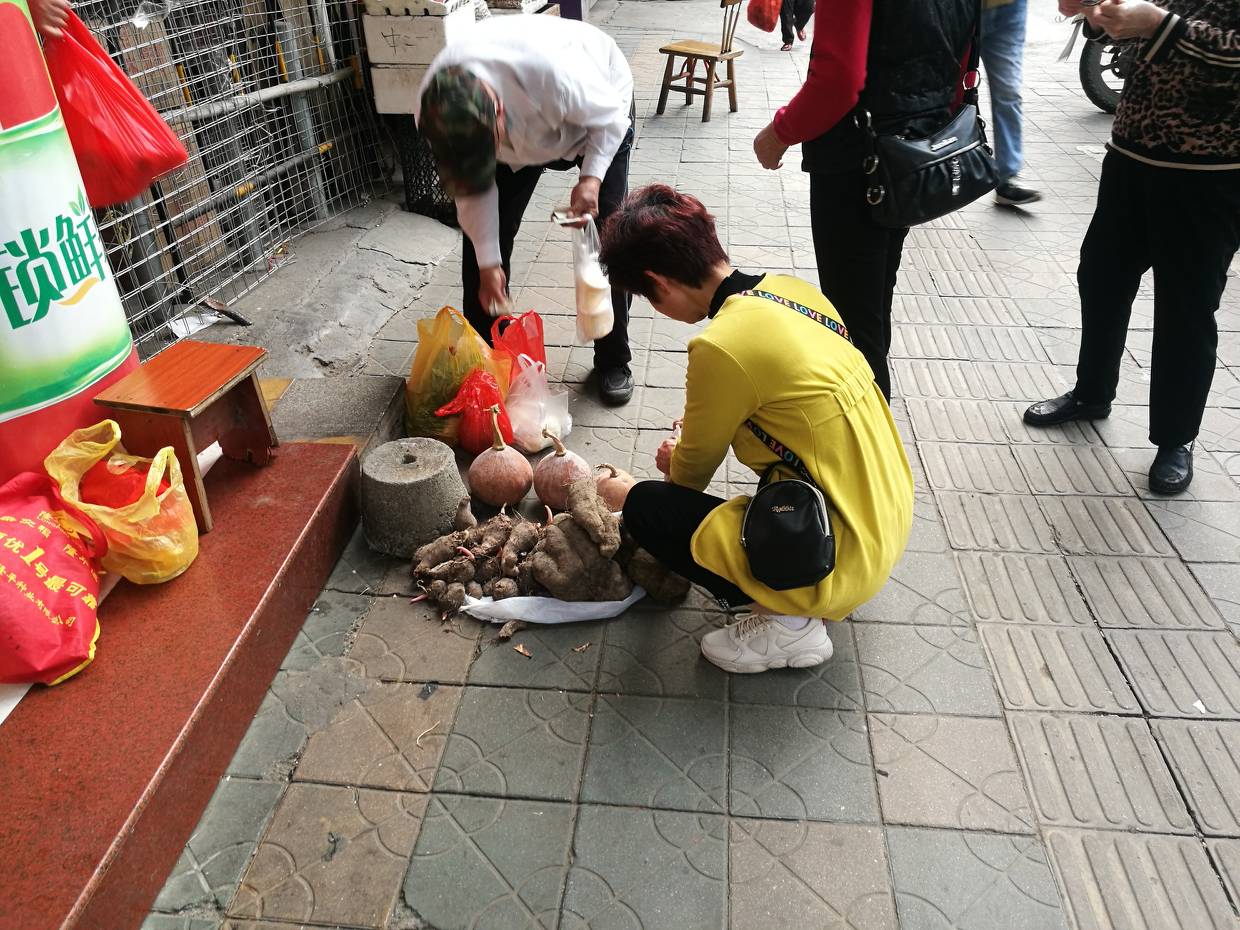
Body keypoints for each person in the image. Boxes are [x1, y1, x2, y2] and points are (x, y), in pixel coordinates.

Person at [600, 186, 913, 675]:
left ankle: (789, 623)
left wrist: (666, 461)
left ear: (658, 282)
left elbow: (688, 478)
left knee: (648, 507)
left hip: (841, 552)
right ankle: (801, 593)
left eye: (646, 297)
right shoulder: (793, 291)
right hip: (884, 512)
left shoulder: (719, 346)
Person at [1025, 0, 1240, 495]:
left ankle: (1176, 437)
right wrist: (1102, 17)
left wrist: (1161, 25)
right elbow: (1134, 35)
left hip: (1207, 175)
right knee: (1101, 278)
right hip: (1130, 158)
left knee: (1187, 308)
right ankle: (1092, 393)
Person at [753, 1, 979, 399]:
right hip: (912, 152)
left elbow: (838, 81)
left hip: (857, 161)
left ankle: (869, 429)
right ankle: (873, 420)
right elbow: (964, 57)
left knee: (855, 331)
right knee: (872, 308)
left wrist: (779, 133)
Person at [416, 17, 636, 405]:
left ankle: (613, 359)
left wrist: (591, 178)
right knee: (481, 253)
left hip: (593, 120)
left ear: (498, 110)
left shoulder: (555, 73)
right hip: (519, 138)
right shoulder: (434, 111)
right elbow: (472, 194)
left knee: (608, 240)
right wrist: (489, 264)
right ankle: (485, 363)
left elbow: (609, 119)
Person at [981, 0, 1041, 206]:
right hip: (957, 9)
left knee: (1008, 92)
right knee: (945, 87)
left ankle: (1007, 179)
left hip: (1010, 8)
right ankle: (933, 167)